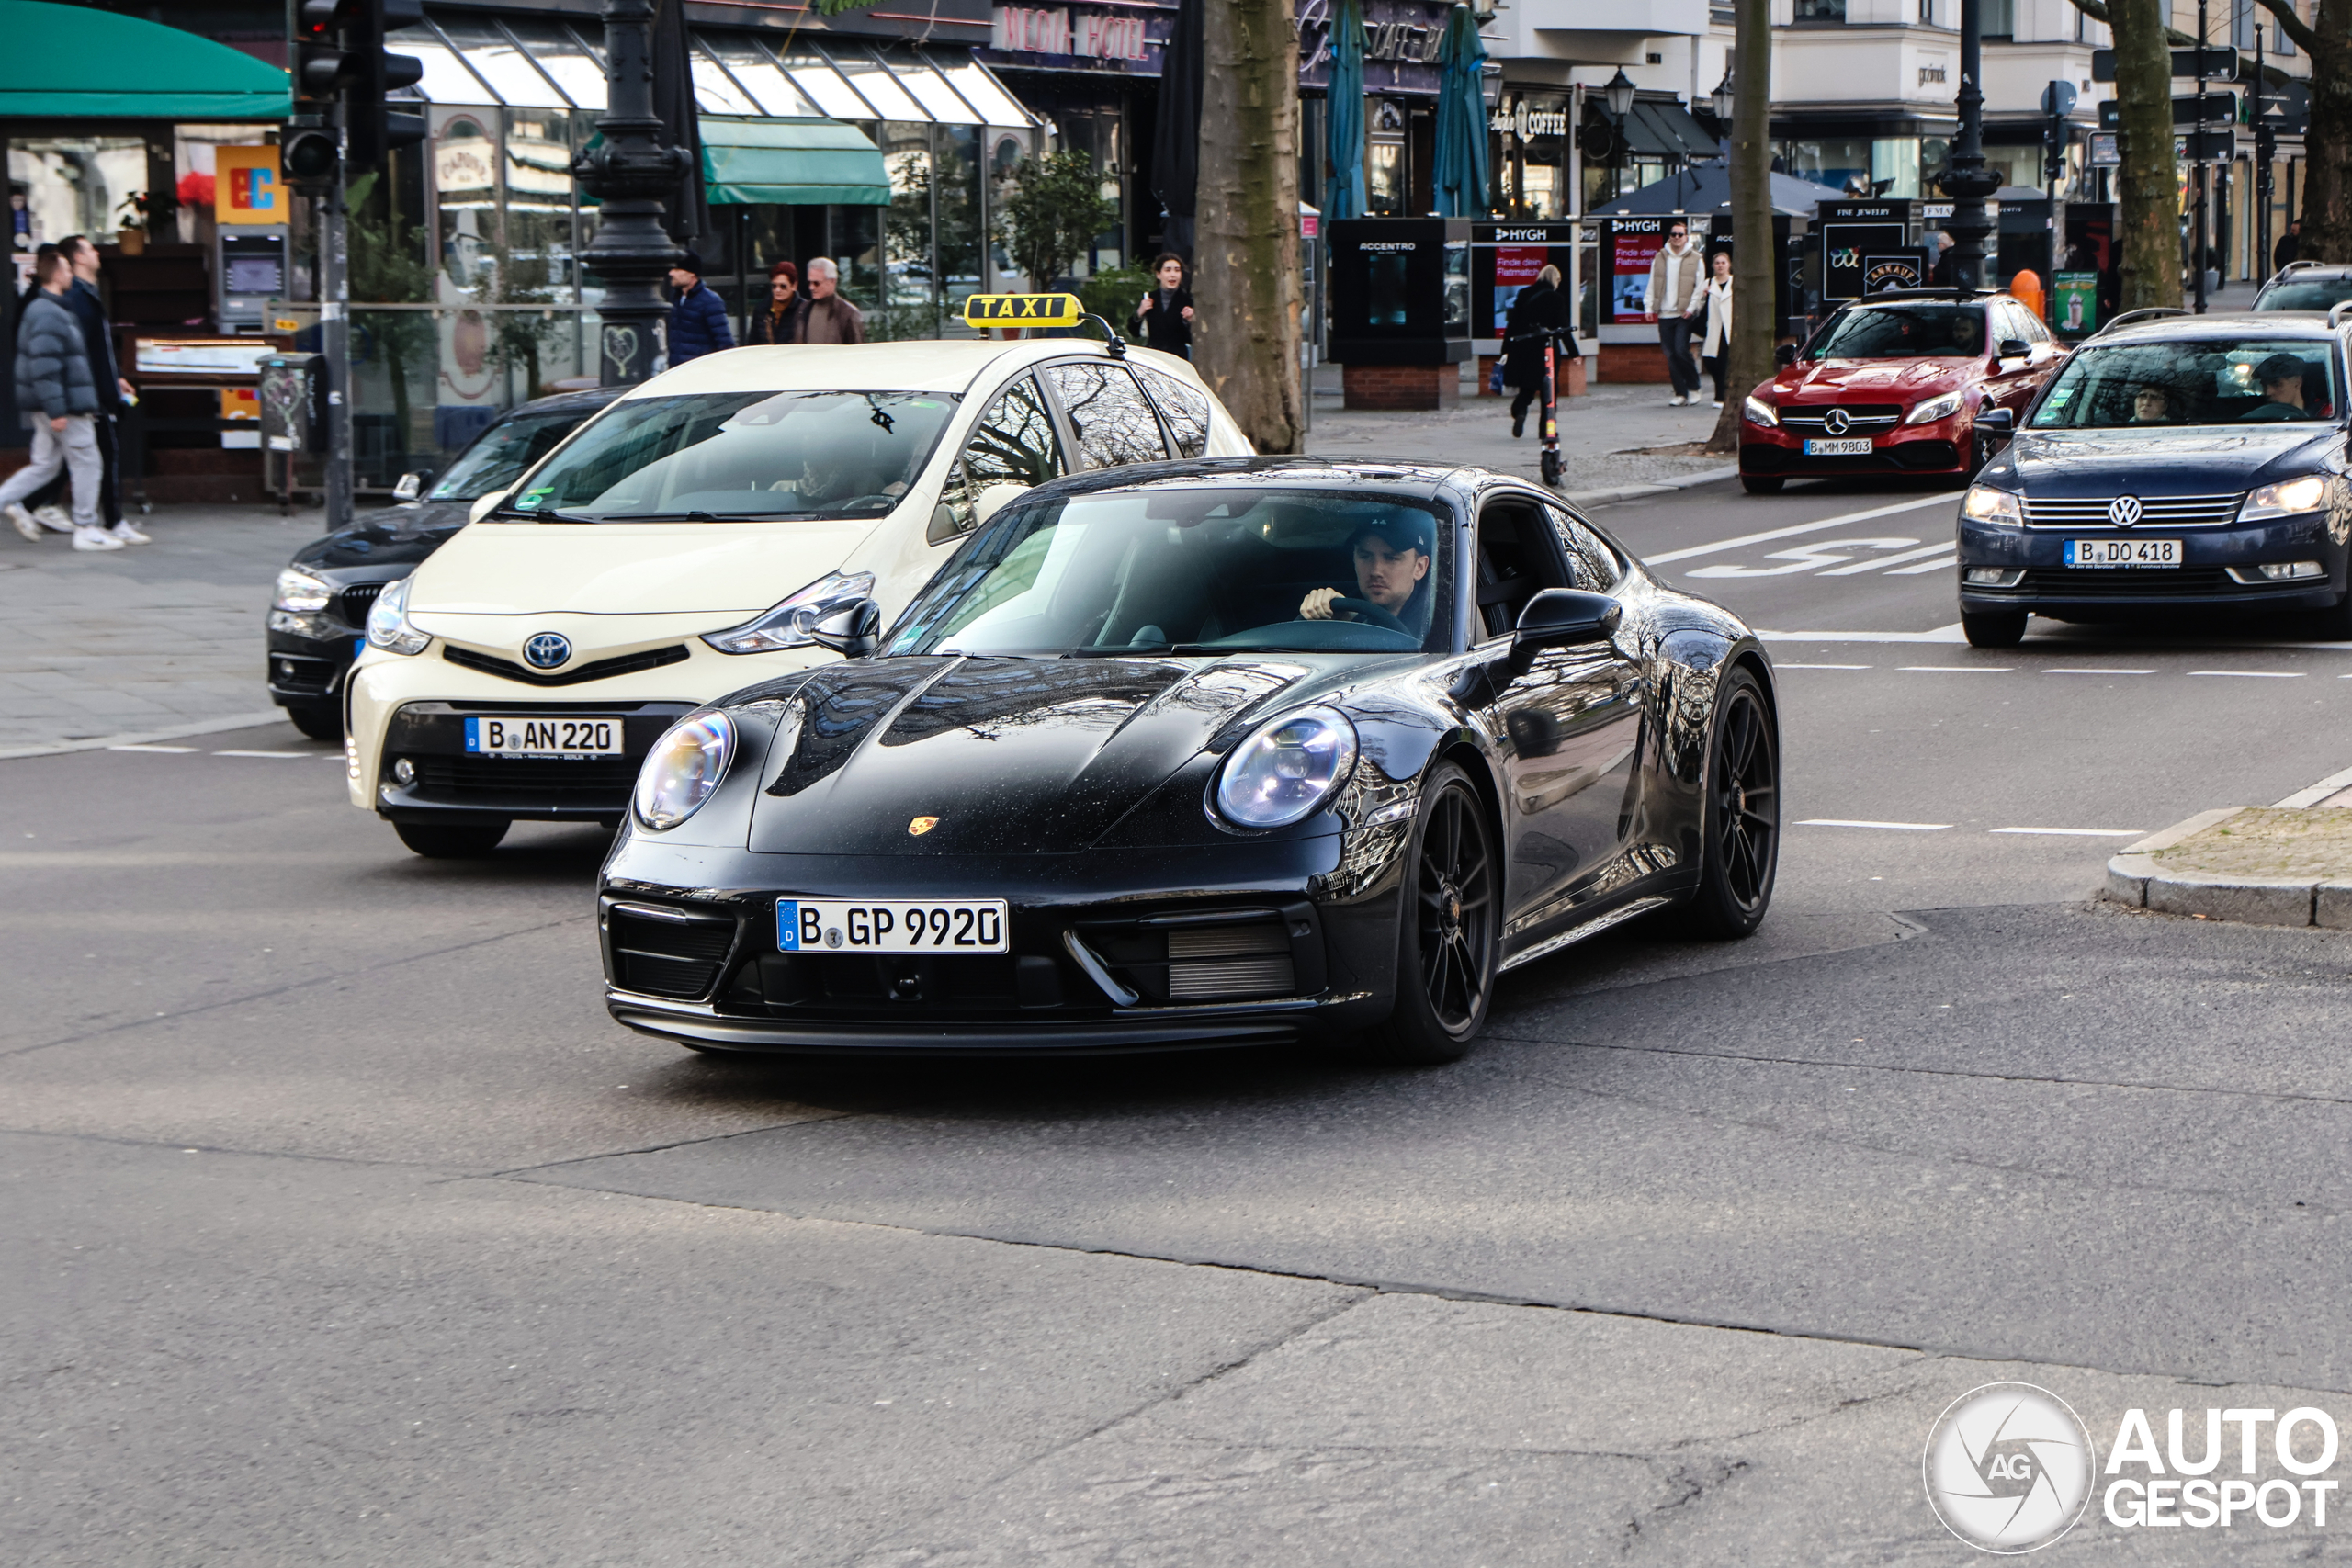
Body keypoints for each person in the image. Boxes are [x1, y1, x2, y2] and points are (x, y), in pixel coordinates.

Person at [1, 247, 117, 551]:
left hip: (57, 404)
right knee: (87, 462)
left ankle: (6, 501)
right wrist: (57, 409)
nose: (70, 275)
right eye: (65, 270)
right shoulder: (49, 314)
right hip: (66, 406)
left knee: (46, 466)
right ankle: (86, 527)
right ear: (55, 274)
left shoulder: (49, 310)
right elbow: (46, 367)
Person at [60, 234, 145, 544]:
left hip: (96, 388)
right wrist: (101, 385)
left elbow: (99, 347)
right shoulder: (80, 297)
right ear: (79, 258)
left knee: (87, 457)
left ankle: (108, 521)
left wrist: (116, 375)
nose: (97, 253)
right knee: (100, 456)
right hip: (90, 393)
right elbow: (82, 350)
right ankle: (102, 523)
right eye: (90, 249)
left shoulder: (89, 293)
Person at [1297, 511, 1435, 639]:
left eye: (1391, 558)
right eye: (1365, 556)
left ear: (1419, 567)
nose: (1375, 571)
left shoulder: (1442, 624)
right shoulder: (1344, 610)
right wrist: (1332, 622)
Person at [1501, 264, 1575, 438]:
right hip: (1547, 348)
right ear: (1555, 280)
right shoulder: (1556, 298)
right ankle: (1546, 429)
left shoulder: (1524, 294)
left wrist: (1505, 349)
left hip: (1524, 348)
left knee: (1527, 385)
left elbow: (1512, 324)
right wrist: (1574, 353)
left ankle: (1519, 411)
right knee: (1549, 389)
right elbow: (1563, 328)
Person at [1644, 221, 1703, 406]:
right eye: (1673, 234)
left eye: (1680, 234)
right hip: (1664, 313)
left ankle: (1694, 387)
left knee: (1680, 350)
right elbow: (1652, 283)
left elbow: (1699, 287)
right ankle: (1680, 393)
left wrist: (1691, 308)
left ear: (1686, 237)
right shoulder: (1660, 258)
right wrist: (1649, 307)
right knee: (1670, 354)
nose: (1676, 238)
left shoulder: (1696, 258)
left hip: (1683, 313)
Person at [664, 251, 732, 366]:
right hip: (677, 371)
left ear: (692, 274)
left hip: (700, 371)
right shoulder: (676, 299)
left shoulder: (711, 301)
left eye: (677, 270)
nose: (671, 273)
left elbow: (725, 342)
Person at [1131, 253, 1194, 357]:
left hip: (1177, 358)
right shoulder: (1149, 298)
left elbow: (1192, 340)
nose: (1173, 274)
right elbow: (1134, 332)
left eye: (1177, 270)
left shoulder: (1188, 301)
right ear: (1158, 274)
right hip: (1153, 357)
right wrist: (1139, 313)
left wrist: (1190, 321)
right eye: (1168, 270)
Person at [1696, 250, 1735, 408]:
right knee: (1711, 362)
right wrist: (1704, 297)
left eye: (1723, 263)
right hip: (1714, 327)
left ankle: (1720, 397)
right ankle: (1722, 392)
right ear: (1713, 266)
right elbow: (1697, 304)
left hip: (1729, 327)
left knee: (1724, 363)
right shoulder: (1708, 283)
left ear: (1729, 265)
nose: (1720, 266)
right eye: (1717, 263)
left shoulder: (1735, 282)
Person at [800, 257, 865, 344]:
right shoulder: (803, 309)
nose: (811, 287)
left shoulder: (848, 313)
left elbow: (856, 350)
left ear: (832, 281)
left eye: (816, 283)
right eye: (809, 283)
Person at [745, 260, 806, 346]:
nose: (777, 290)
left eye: (783, 286)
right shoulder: (762, 309)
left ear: (794, 286)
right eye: (774, 286)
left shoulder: (804, 309)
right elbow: (752, 343)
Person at [2242, 353, 2316, 421]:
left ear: (2297, 383)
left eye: (2276, 384)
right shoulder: (2253, 415)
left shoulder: (2321, 415)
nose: (2268, 392)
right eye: (2264, 385)